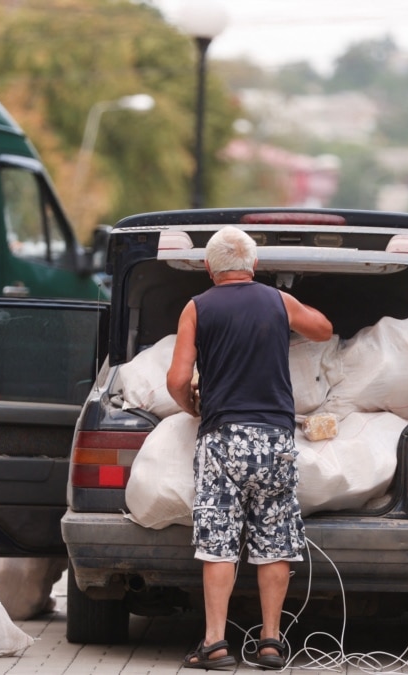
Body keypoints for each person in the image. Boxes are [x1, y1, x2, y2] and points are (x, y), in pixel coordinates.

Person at [166, 226, 333, 671]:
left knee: (219, 542)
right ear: (253, 265)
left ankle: (215, 644)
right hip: (275, 439)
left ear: (208, 267)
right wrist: (285, 314)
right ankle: (272, 643)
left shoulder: (197, 307)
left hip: (223, 440)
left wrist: (193, 407)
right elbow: (323, 330)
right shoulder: (277, 300)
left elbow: (178, 380)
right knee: (274, 542)